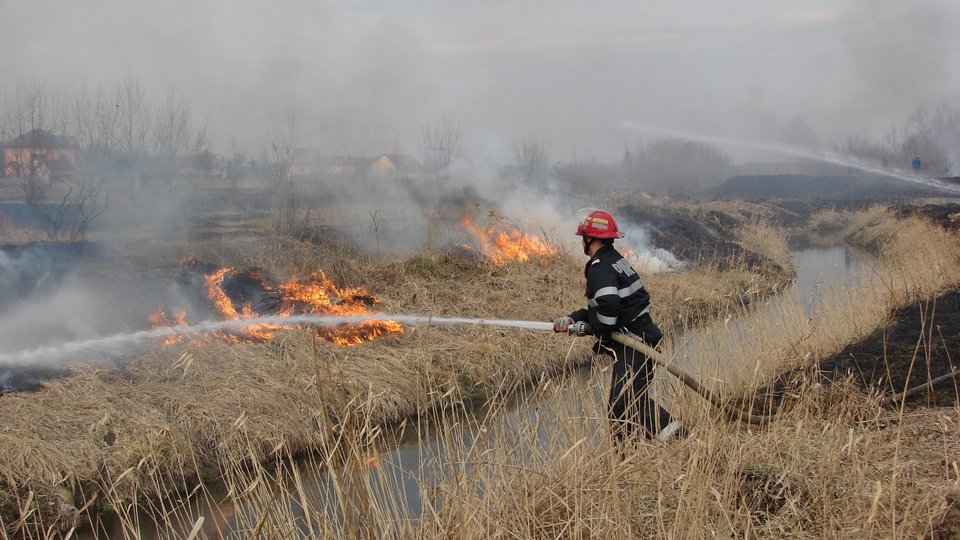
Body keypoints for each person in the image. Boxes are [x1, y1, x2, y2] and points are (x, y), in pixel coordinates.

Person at [553, 210, 686, 443]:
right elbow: (608, 306)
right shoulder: (615, 261)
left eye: (583, 238)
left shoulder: (599, 267)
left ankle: (683, 441)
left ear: (590, 239)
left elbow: (609, 303)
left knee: (626, 401)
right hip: (641, 335)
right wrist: (573, 318)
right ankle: (627, 460)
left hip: (635, 342)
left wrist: (597, 329)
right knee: (623, 406)